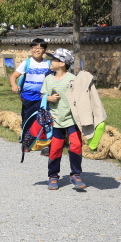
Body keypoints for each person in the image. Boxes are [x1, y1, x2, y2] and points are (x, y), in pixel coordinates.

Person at [41, 48, 84, 190]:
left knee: (76, 146)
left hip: (72, 120)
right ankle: (53, 176)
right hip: (55, 120)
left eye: (53, 59)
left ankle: (75, 175)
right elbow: (42, 96)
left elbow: (81, 98)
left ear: (62, 63)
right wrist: (49, 98)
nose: (50, 61)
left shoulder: (72, 79)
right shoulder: (48, 79)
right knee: (55, 149)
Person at [9, 38, 52, 127]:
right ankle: (26, 138)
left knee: (42, 119)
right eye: (34, 47)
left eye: (40, 48)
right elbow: (13, 76)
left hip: (43, 97)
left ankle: (40, 139)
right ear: (31, 49)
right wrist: (14, 85)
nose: (37, 50)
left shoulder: (48, 64)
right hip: (28, 97)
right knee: (27, 119)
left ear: (45, 50)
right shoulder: (27, 63)